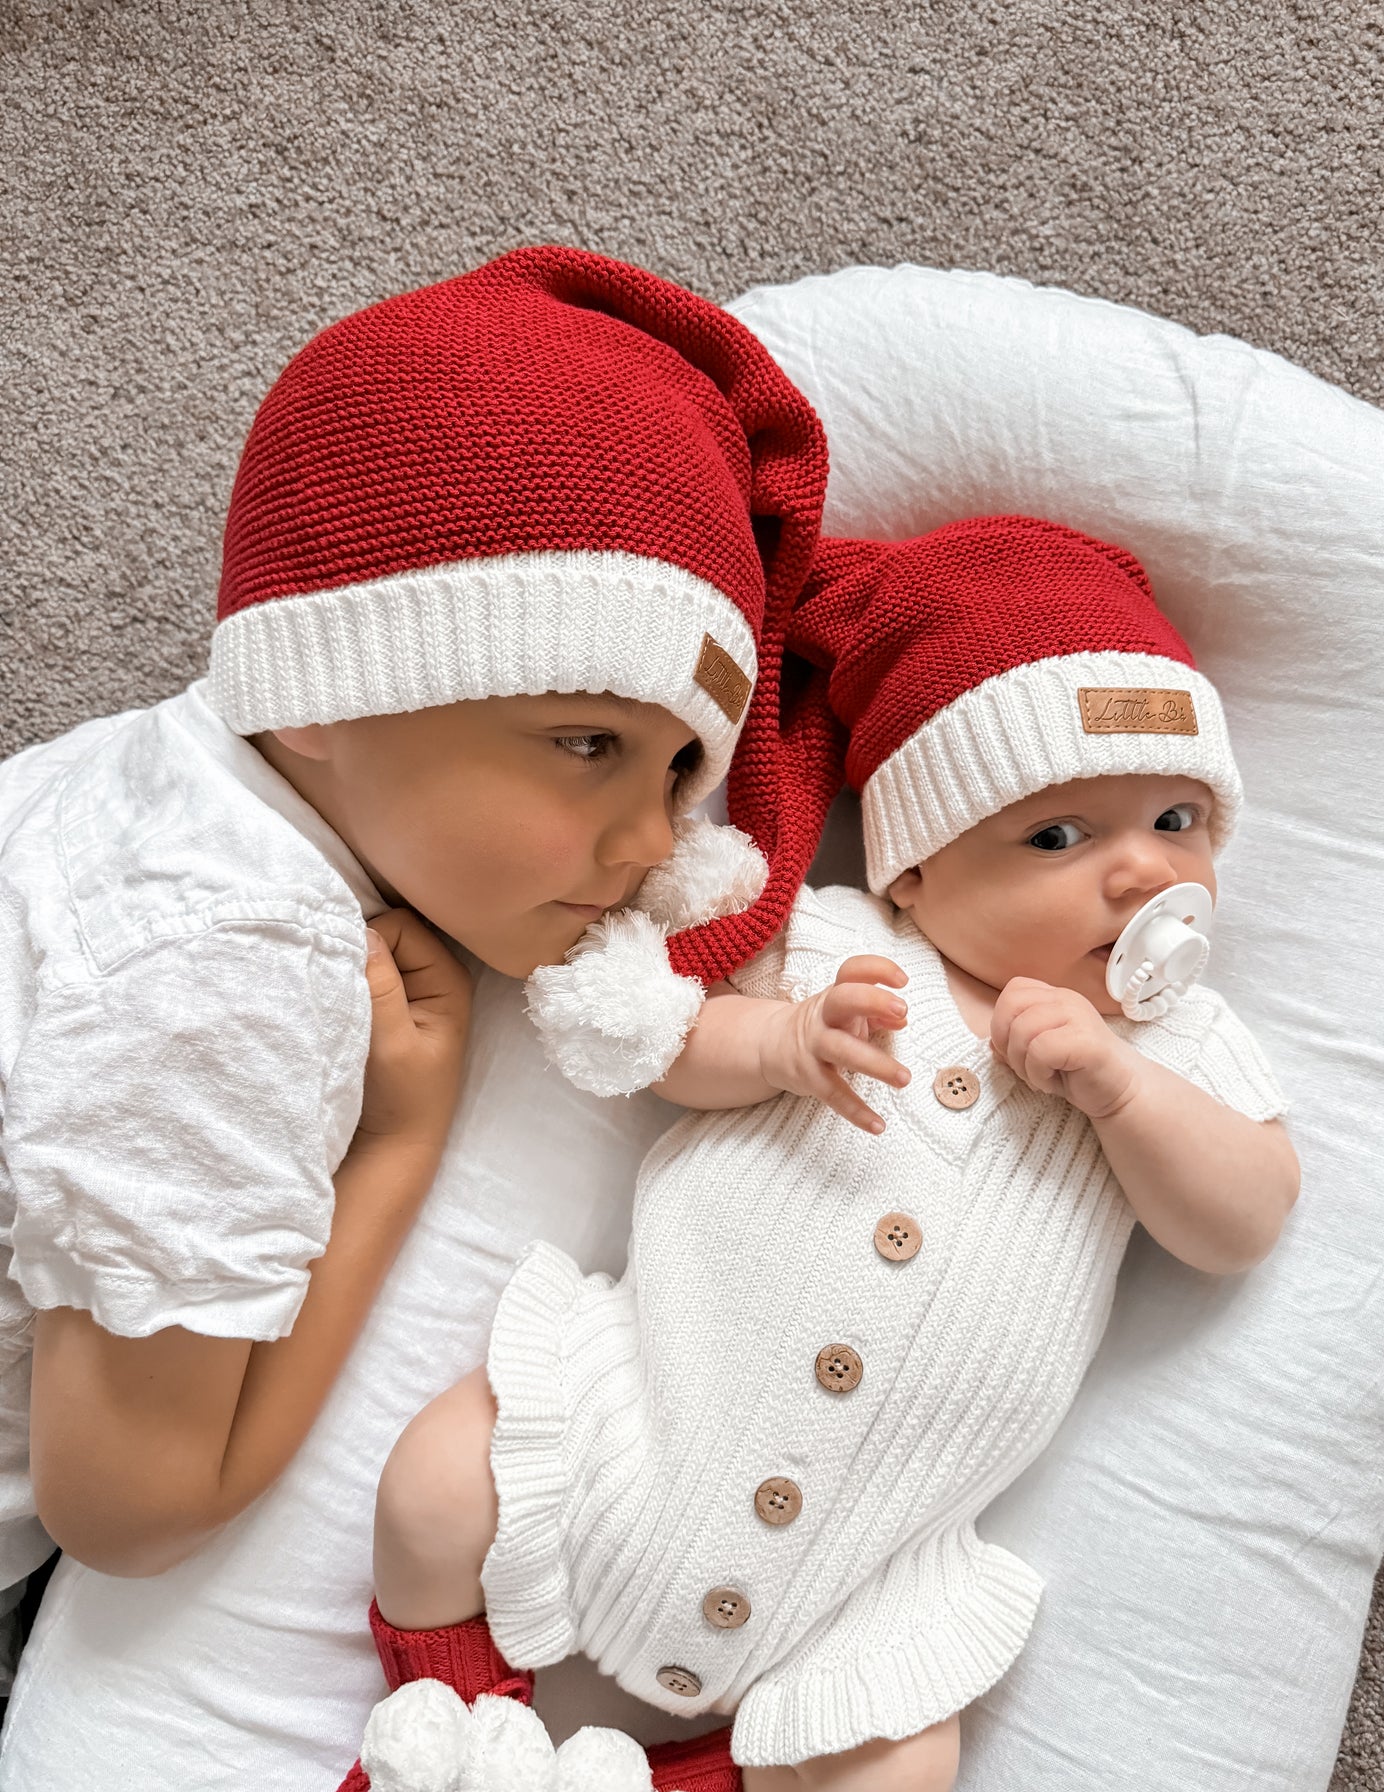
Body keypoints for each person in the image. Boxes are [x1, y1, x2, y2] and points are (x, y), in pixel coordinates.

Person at [325, 517, 1300, 1792]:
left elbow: (1244, 1217)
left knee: (897, 1778)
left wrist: (1120, 1091)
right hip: (633, 1424)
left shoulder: (1177, 1044)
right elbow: (662, 1043)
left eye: (1177, 820)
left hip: (861, 1570)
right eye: (1057, 833)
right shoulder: (840, 945)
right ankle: (448, 1719)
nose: (1141, 873)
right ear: (914, 867)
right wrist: (778, 1047)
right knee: (433, 1482)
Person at [0, 247, 834, 1697]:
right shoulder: (240, 973)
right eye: (588, 743)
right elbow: (129, 1509)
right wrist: (397, 1142)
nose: (651, 841)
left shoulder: (124, 779)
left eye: (685, 769)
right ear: (323, 694)